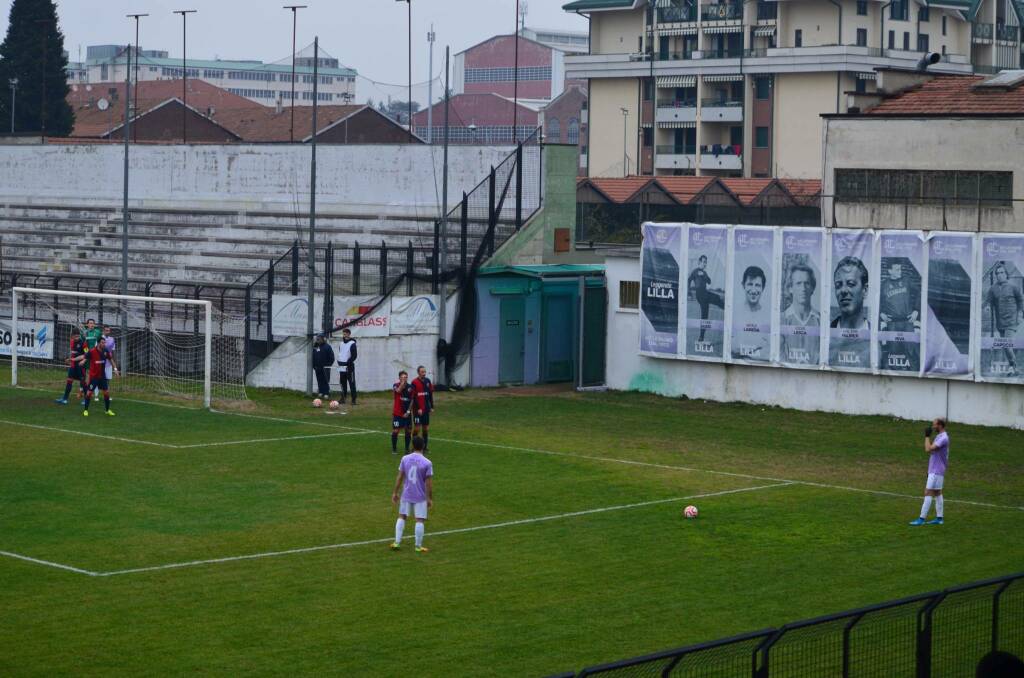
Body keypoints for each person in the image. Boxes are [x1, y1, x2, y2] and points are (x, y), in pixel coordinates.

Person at [390, 435, 433, 553]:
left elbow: (400, 477)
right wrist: (429, 498)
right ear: (423, 446)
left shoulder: (405, 459)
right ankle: (418, 546)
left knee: (402, 516)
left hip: (406, 494)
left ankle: (397, 542)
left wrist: (395, 492)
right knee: (420, 520)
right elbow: (429, 483)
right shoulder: (427, 463)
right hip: (420, 496)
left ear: (412, 445)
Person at [983, 262, 1023, 376]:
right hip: (1000, 323)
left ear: (1006, 274)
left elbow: (1021, 300)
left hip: (1012, 321)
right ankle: (1011, 368)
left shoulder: (1013, 287)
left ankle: (1015, 368)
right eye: (998, 273)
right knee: (1005, 346)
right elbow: (987, 301)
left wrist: (1020, 314)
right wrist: (986, 307)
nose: (999, 275)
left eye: (1002, 272)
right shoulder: (993, 289)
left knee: (1006, 344)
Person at [879, 260, 920, 369]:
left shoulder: (906, 281)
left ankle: (913, 374)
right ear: (889, 271)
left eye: (900, 269)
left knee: (911, 351)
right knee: (894, 351)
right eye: (897, 269)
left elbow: (920, 292)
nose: (900, 271)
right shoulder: (884, 285)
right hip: (892, 323)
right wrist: (881, 313)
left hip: (907, 322)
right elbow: (876, 300)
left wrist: (916, 310)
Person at [910, 418, 949, 526]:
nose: (933, 427)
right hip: (936, 470)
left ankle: (921, 519)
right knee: (937, 493)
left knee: (928, 492)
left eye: (934, 425)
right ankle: (939, 519)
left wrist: (927, 436)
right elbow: (932, 452)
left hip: (936, 471)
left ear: (940, 425)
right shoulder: (939, 436)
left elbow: (928, 449)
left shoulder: (943, 438)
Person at [780, 263, 820, 364]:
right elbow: (780, 357)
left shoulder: (821, 320)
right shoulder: (782, 319)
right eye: (798, 283)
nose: (803, 288)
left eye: (807, 283)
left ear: (812, 288)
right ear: (790, 288)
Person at [733, 266, 770, 361]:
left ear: (763, 288)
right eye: (750, 284)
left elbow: (769, 353)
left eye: (757, 285)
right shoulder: (734, 313)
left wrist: (741, 351)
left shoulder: (768, 316)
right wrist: (757, 348)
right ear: (743, 285)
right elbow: (731, 348)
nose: (753, 290)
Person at [688, 254, 724, 342]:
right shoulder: (695, 271)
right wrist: (688, 292)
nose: (705, 264)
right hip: (700, 295)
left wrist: (704, 275)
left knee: (718, 298)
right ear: (699, 262)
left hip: (705, 293)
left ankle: (701, 337)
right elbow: (688, 280)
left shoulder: (704, 272)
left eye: (706, 263)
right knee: (706, 313)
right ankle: (701, 337)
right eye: (703, 262)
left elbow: (709, 281)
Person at [831, 256, 870, 329]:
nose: (843, 290)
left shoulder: (875, 331)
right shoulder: (826, 330)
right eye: (838, 285)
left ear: (865, 290)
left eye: (851, 284)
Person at [82, 336, 118, 417]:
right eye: (102, 342)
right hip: (94, 377)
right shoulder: (92, 351)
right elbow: (85, 357)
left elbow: (111, 359)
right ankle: (85, 410)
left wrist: (115, 368)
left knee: (106, 393)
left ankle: (107, 410)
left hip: (102, 376)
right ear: (98, 343)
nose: (104, 344)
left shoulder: (105, 351)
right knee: (89, 393)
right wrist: (83, 361)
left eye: (104, 342)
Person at [55, 329, 88, 405]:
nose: (77, 337)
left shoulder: (84, 343)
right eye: (75, 336)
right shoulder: (72, 342)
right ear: (72, 336)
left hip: (81, 366)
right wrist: (69, 359)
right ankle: (65, 399)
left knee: (83, 382)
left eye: (78, 336)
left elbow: (87, 354)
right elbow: (73, 353)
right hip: (73, 365)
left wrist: (83, 361)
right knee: (69, 381)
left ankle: (86, 399)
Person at [411, 365, 435, 452]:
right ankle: (414, 447)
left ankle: (424, 447)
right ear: (418, 373)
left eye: (424, 372)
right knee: (417, 428)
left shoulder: (428, 381)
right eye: (422, 372)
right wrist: (418, 409)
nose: (424, 373)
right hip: (417, 410)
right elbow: (414, 397)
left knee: (425, 428)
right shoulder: (414, 382)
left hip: (426, 409)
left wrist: (432, 406)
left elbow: (430, 395)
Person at [391, 370, 414, 455]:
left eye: (406, 377)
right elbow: (398, 391)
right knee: (396, 431)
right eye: (402, 377)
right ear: (399, 378)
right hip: (397, 414)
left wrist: (408, 412)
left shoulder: (410, 387)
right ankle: (394, 448)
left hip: (407, 414)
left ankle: (407, 449)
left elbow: (412, 400)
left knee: (408, 431)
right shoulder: (395, 385)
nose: (404, 379)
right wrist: (402, 384)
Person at [336, 328, 358, 405]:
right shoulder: (341, 343)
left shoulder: (352, 343)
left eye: (345, 333)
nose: (344, 335)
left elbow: (354, 355)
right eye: (343, 333)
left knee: (351, 383)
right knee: (342, 383)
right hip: (341, 366)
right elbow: (341, 353)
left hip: (349, 367)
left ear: (349, 334)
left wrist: (349, 362)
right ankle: (343, 398)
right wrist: (339, 361)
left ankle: (353, 399)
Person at [94, 326, 117, 397]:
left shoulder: (112, 339)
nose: (108, 332)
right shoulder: (100, 339)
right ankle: (96, 395)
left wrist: (114, 362)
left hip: (109, 363)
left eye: (109, 331)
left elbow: (113, 351)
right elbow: (96, 350)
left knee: (108, 379)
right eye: (106, 330)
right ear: (103, 331)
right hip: (100, 363)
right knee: (98, 378)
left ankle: (106, 395)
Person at [311, 333, 334, 399]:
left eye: (319, 338)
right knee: (319, 380)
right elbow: (313, 356)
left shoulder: (327, 347)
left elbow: (332, 358)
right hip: (317, 367)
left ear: (323, 339)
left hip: (325, 367)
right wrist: (314, 365)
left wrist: (328, 366)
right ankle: (321, 392)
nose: (318, 339)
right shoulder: (315, 346)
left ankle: (326, 393)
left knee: (325, 380)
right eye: (317, 338)